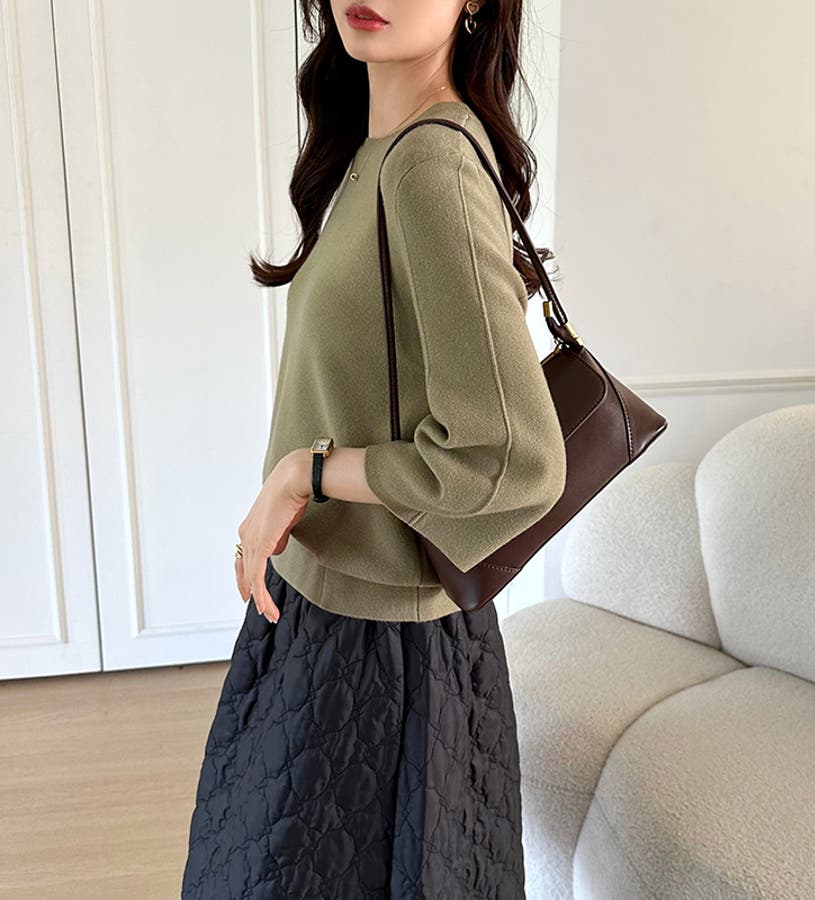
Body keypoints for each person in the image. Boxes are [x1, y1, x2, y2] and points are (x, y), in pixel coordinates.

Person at [181, 0, 567, 897]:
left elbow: (511, 457)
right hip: (323, 614)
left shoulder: (432, 165)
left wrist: (306, 473)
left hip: (379, 658)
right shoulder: (379, 149)